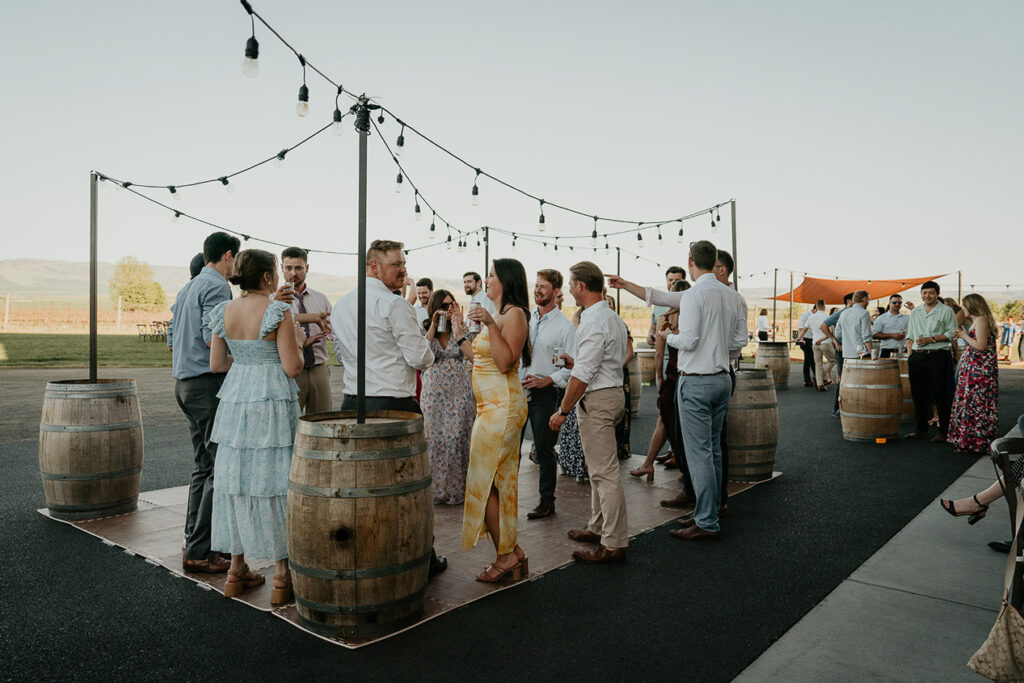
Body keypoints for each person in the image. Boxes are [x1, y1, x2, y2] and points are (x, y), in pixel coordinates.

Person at [330, 239, 447, 575]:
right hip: (394, 405)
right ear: (374, 267)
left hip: (352, 402)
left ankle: (372, 555)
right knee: (408, 487)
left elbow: (341, 354)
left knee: (361, 486)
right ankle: (421, 557)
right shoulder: (395, 305)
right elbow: (419, 358)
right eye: (396, 264)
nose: (403, 270)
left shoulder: (343, 305)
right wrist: (426, 351)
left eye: (403, 263)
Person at [207, 249, 303, 602]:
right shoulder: (277, 311)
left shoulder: (224, 311)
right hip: (271, 398)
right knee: (275, 479)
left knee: (237, 480)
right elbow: (292, 367)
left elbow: (217, 364)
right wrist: (299, 348)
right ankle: (281, 576)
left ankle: (236, 569)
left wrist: (247, 358)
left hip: (235, 399)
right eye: (276, 271)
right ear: (266, 278)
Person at [657, 241, 746, 540]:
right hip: (723, 378)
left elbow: (689, 340)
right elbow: (739, 342)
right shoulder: (734, 296)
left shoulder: (695, 294)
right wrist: (719, 353)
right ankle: (713, 508)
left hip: (696, 381)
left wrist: (669, 336)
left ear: (691, 261)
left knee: (700, 454)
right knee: (714, 450)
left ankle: (706, 521)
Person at [549, 261, 630, 563]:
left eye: (570, 284)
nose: (568, 289)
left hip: (598, 401)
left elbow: (584, 375)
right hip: (610, 394)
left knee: (605, 473)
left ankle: (613, 542)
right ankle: (598, 526)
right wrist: (575, 362)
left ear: (581, 285)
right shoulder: (610, 317)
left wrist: (562, 410)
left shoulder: (594, 321)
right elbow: (607, 360)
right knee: (598, 469)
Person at [169, 232, 239, 575]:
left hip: (183, 384)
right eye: (234, 259)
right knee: (218, 468)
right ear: (228, 256)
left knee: (202, 466)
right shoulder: (217, 287)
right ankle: (199, 551)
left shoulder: (189, 286)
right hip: (206, 385)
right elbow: (211, 336)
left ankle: (191, 538)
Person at [459, 259, 531, 582]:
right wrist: (462, 334)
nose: (486, 280)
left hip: (503, 408)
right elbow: (481, 360)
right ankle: (513, 552)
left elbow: (504, 363)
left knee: (484, 482)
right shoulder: (499, 315)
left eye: (491, 275)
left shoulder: (514, 314)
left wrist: (489, 322)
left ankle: (504, 557)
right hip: (489, 408)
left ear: (506, 280)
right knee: (496, 483)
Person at [519, 269, 576, 519]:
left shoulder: (565, 327)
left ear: (556, 291)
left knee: (544, 449)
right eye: (536, 285)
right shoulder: (524, 317)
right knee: (511, 447)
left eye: (543, 287)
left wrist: (547, 380)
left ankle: (547, 501)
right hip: (518, 391)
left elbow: (571, 369)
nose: (537, 290)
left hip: (544, 394)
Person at [629, 280, 691, 482]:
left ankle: (652, 464)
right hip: (689, 375)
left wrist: (659, 378)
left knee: (665, 420)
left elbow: (658, 355)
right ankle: (680, 467)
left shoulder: (665, 318)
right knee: (681, 424)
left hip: (671, 375)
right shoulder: (692, 318)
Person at [421, 289, 475, 504]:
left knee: (457, 435)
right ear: (435, 309)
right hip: (434, 388)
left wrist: (458, 327)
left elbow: (471, 353)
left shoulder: (461, 329)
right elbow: (422, 356)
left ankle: (456, 490)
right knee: (433, 437)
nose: (449, 309)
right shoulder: (426, 328)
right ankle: (434, 490)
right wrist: (434, 325)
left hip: (458, 386)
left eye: (451, 305)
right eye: (444, 306)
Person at [279, 247, 333, 414]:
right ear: (281, 268)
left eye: (298, 268)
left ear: (307, 268)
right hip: (291, 371)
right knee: (289, 423)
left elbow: (332, 331)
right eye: (288, 268)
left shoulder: (321, 298)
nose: (293, 273)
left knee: (323, 422)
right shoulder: (275, 300)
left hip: (318, 369)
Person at [904, 280, 958, 442]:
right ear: (921, 294)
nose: (927, 296)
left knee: (941, 394)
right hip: (917, 357)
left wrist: (931, 339)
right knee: (918, 394)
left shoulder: (947, 311)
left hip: (938, 356)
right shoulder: (915, 312)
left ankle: (944, 432)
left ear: (937, 294)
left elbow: (952, 333)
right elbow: (910, 335)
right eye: (924, 293)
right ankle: (921, 429)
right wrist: (910, 356)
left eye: (931, 293)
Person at [948, 294, 999, 455]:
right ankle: (968, 441)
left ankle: (975, 442)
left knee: (975, 404)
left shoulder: (982, 320)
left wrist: (964, 336)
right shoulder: (978, 320)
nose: (962, 309)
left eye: (964, 306)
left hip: (979, 371)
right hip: (974, 368)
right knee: (970, 404)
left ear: (972, 306)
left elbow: (981, 345)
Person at [606, 294, 635, 459]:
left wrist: (615, 367)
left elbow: (629, 353)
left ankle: (621, 447)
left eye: (610, 304)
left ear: (614, 307)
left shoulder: (620, 324)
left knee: (622, 412)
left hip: (619, 373)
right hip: (608, 373)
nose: (607, 306)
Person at [819, 292, 854, 417]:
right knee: (843, 379)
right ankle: (836, 409)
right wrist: (834, 340)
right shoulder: (840, 313)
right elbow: (823, 326)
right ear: (849, 301)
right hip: (842, 349)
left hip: (853, 349)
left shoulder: (855, 314)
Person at [646, 266, 685, 346]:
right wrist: (651, 334)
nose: (673, 283)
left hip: (683, 355)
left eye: (677, 280)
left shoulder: (688, 303)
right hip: (663, 355)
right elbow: (653, 326)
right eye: (670, 280)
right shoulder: (658, 304)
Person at [835, 290, 874, 361]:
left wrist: (849, 338)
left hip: (846, 353)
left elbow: (837, 334)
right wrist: (873, 354)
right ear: (864, 299)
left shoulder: (844, 313)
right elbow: (866, 336)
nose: (868, 302)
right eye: (868, 299)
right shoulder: (864, 313)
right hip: (862, 354)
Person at [807, 300, 835, 390]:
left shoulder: (811, 317)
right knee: (834, 360)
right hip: (825, 342)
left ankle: (820, 384)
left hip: (814, 343)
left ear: (817, 307)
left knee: (818, 364)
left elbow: (805, 328)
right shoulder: (827, 317)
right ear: (824, 306)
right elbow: (831, 331)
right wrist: (821, 339)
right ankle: (821, 375)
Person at [871, 294, 908, 359]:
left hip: (904, 350)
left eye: (899, 303)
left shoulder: (907, 318)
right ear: (889, 303)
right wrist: (892, 335)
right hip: (887, 350)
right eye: (894, 302)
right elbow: (874, 335)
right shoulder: (881, 318)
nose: (897, 304)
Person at [796, 306, 816, 387]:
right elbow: (800, 328)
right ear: (815, 309)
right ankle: (818, 379)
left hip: (812, 340)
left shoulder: (814, 316)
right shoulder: (806, 315)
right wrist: (800, 339)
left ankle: (807, 380)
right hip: (805, 340)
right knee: (812, 360)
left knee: (807, 361)